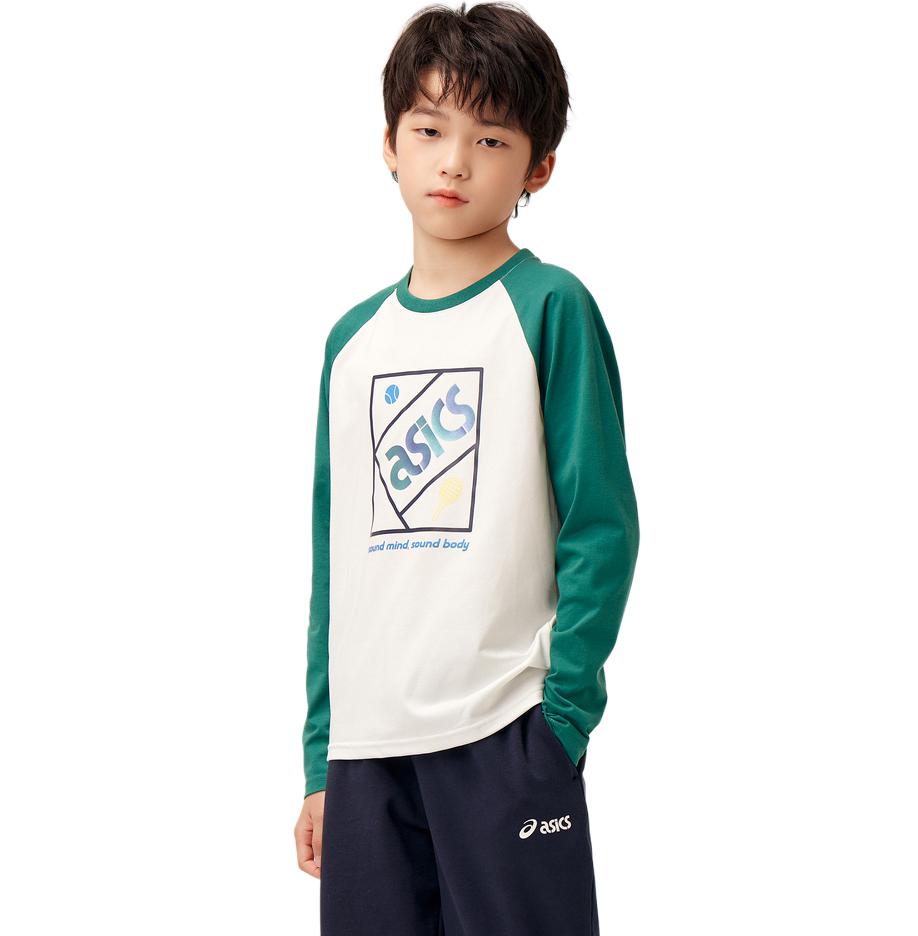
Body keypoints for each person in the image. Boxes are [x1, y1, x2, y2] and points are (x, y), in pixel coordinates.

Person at [294, 3, 640, 933]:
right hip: (366, 754)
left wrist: (560, 722)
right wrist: (322, 759)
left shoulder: (550, 308)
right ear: (389, 144)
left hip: (503, 736)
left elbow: (601, 524)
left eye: (490, 139)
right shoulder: (351, 344)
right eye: (429, 129)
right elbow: (335, 564)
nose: (453, 162)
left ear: (538, 166)